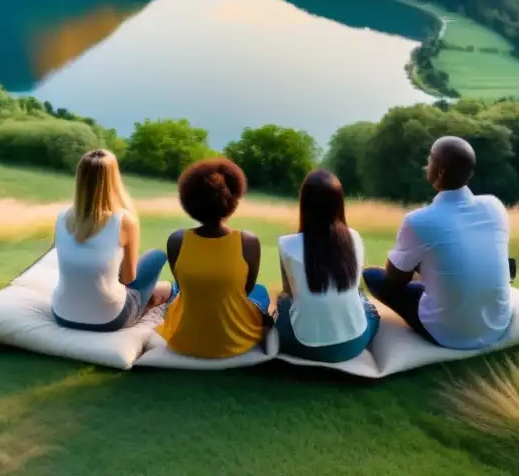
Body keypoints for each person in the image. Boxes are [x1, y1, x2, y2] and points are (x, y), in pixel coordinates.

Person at [363, 136, 512, 349]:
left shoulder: (419, 220)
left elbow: (394, 281)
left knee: (372, 276)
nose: (427, 164)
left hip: (449, 332)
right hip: (497, 323)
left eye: (430, 159)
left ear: (440, 172)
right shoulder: (495, 206)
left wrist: (413, 264)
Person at [157, 158, 271, 358]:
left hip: (185, 341)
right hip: (235, 342)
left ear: (189, 201)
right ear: (232, 199)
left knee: (179, 289)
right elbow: (247, 289)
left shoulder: (177, 240)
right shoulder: (248, 241)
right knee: (261, 292)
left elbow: (183, 286)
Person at [51, 149, 171, 332]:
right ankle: (169, 294)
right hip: (109, 319)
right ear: (113, 180)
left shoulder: (61, 217)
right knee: (156, 256)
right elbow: (128, 279)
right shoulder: (124, 221)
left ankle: (156, 295)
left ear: (80, 179)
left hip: (62, 315)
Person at [275, 170, 380, 363]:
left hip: (305, 345)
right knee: (367, 305)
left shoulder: (286, 244)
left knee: (281, 304)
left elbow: (288, 293)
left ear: (304, 204)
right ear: (339, 204)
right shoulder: (354, 237)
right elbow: (354, 287)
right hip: (354, 343)